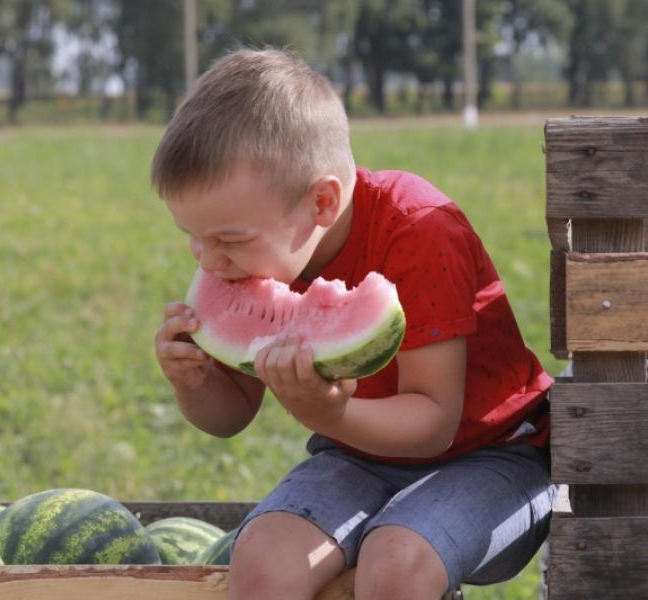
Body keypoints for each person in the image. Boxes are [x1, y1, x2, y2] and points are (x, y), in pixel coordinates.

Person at [151, 48, 556, 600]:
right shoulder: (265, 246)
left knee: (397, 561)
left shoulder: (419, 230)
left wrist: (329, 411)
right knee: (265, 557)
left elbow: (435, 422)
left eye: (228, 240)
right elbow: (231, 417)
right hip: (356, 458)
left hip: (495, 456)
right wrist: (196, 383)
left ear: (321, 202)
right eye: (193, 237)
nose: (209, 261)